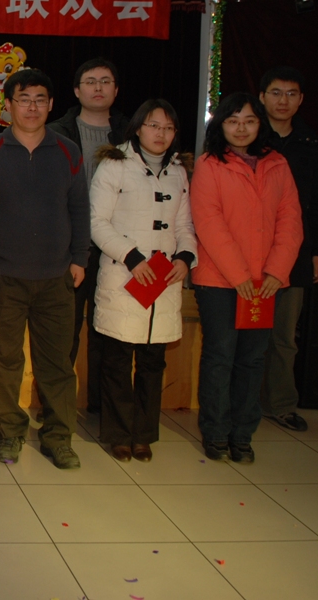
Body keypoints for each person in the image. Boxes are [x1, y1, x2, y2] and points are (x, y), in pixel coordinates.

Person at [0, 68, 89, 470]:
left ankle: (58, 437)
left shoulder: (68, 152)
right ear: (9, 106)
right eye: (24, 99)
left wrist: (79, 258)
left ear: (51, 104)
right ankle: (10, 433)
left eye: (40, 99)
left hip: (57, 277)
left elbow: (79, 208)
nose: (32, 107)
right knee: (4, 361)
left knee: (56, 363)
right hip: (4, 277)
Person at [192, 92, 303, 464]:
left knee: (253, 360)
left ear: (261, 125)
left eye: (250, 121)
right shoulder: (209, 164)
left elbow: (290, 222)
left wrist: (276, 272)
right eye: (232, 121)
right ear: (220, 125)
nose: (241, 129)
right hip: (219, 281)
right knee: (220, 357)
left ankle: (242, 434)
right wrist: (239, 275)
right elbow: (209, 222)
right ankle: (216, 432)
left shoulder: (278, 164)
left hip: (266, 283)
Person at [89, 99, 196, 462]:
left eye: (168, 128)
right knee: (117, 362)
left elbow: (184, 225)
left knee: (152, 361)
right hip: (124, 275)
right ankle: (118, 433)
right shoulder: (114, 164)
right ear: (137, 127)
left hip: (163, 280)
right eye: (153, 126)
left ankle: (144, 433)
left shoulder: (178, 171)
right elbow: (97, 221)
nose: (160, 134)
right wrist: (132, 257)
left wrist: (185, 257)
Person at [48, 58, 128, 414]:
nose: (98, 87)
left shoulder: (131, 133)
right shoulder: (56, 133)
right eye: (90, 81)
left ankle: (100, 405)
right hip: (67, 249)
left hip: (117, 250)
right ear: (77, 91)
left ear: (116, 90)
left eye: (105, 81)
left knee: (108, 330)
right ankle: (56, 407)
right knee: (64, 331)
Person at [258, 67, 318, 432]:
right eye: (276, 92)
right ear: (262, 97)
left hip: (295, 255)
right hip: (250, 251)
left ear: (301, 100)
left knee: (284, 336)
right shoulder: (248, 137)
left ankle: (280, 404)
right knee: (245, 333)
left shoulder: (311, 145)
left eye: (291, 94)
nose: (283, 100)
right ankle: (243, 400)